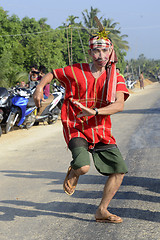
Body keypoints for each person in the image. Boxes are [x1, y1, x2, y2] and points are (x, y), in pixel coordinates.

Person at [33, 31, 129, 223]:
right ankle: (75, 170)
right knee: (84, 167)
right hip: (75, 125)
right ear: (90, 53)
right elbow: (53, 73)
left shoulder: (116, 77)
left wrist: (94, 112)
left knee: (119, 171)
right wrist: (38, 88)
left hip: (100, 128)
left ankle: (102, 210)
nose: (101, 56)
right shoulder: (76, 70)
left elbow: (119, 104)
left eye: (105, 51)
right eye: (96, 51)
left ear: (111, 52)